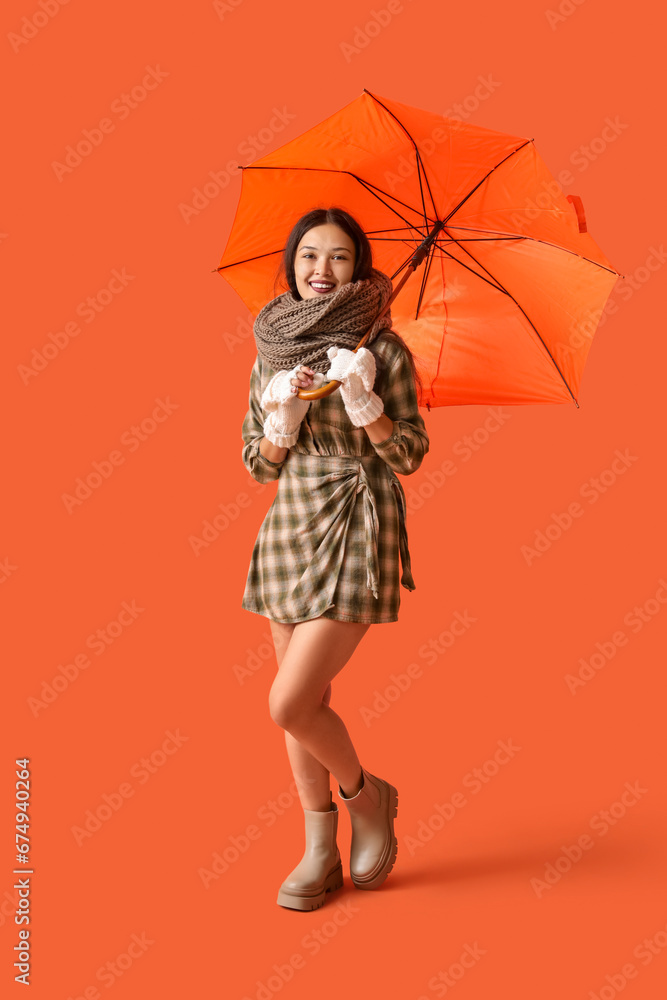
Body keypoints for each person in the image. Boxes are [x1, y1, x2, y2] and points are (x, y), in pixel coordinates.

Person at [240, 206, 430, 910]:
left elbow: (408, 455)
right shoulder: (269, 353)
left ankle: (367, 796)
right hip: (289, 526)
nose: (322, 270)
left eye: (340, 258)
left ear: (360, 268)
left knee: (286, 702)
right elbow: (258, 467)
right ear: (291, 266)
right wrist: (279, 421)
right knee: (307, 705)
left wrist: (365, 400)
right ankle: (319, 851)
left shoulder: (387, 351)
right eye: (310, 256)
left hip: (357, 520)